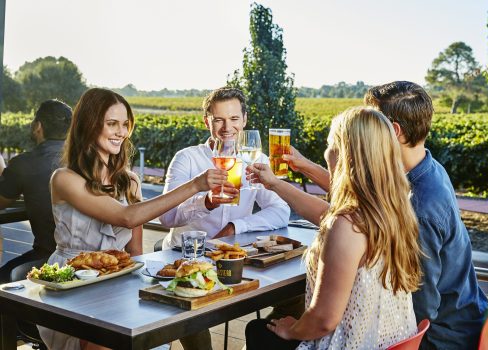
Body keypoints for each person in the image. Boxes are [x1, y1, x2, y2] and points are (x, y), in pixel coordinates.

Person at [279, 81, 488, 350]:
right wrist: (303, 169)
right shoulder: (425, 169)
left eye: (373, 120)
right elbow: (360, 198)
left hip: (442, 337)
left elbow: (421, 305)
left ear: (394, 131)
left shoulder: (419, 205)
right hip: (465, 318)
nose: (368, 128)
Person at [37, 88, 226, 350]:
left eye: (125, 124)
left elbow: (135, 254)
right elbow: (127, 217)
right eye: (112, 124)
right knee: (105, 343)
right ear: (89, 125)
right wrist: (195, 185)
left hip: (117, 280)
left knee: (163, 325)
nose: (121, 132)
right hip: (71, 284)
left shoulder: (130, 181)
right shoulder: (65, 179)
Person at [245, 107, 422, 349]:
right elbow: (326, 215)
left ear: (345, 155)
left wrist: (293, 330)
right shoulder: (392, 209)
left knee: (258, 330)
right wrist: (275, 184)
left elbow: (324, 320)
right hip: (387, 340)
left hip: (350, 343)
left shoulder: (348, 225)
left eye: (330, 145)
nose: (326, 152)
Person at [158, 87, 290, 350]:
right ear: (206, 121)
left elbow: (281, 210)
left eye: (233, 119)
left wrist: (236, 226)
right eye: (218, 119)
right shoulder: (187, 159)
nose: (226, 127)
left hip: (234, 259)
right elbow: (167, 218)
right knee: (190, 316)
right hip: (186, 257)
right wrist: (204, 202)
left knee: (294, 298)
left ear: (244, 120)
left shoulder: (255, 158)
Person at [0, 99, 72, 283]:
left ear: (38, 126)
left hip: (49, 258)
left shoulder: (23, 164)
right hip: (90, 261)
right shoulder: (86, 161)